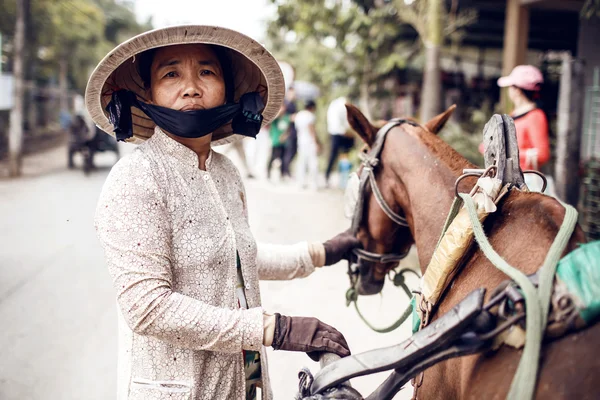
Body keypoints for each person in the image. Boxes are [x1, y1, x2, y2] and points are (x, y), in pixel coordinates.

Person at [86, 26, 359, 400]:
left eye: (207, 72)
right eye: (171, 74)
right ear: (147, 94)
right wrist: (273, 329)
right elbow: (147, 307)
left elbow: (233, 259)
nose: (191, 87)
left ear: (228, 92)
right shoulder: (136, 178)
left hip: (243, 387)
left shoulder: (226, 173)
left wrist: (320, 252)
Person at [496, 65, 551, 192]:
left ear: (517, 90)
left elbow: (542, 154)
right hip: (508, 179)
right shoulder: (514, 114)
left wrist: (506, 153)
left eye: (511, 86)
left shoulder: (535, 116)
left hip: (525, 182)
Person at [325, 96, 354, 186]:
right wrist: (347, 132)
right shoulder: (342, 106)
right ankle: (341, 177)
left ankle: (335, 176)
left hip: (334, 133)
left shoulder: (334, 104)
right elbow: (341, 123)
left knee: (336, 156)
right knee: (341, 155)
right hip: (339, 133)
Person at [295, 100, 320, 190]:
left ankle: (301, 182)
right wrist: (316, 142)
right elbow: (311, 130)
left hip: (301, 141)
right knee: (313, 162)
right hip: (309, 142)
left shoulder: (299, 115)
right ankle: (313, 183)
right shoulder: (310, 116)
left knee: (302, 162)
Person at [267, 104, 290, 180]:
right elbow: (270, 122)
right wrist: (278, 114)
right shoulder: (275, 119)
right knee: (273, 157)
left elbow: (288, 128)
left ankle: (281, 174)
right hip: (275, 141)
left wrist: (285, 136)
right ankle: (268, 173)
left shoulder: (286, 118)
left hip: (283, 142)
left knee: (283, 158)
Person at [282, 86, 298, 179]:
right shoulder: (286, 104)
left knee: (293, 151)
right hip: (287, 131)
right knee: (288, 152)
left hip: (293, 130)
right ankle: (285, 171)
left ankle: (286, 170)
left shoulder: (294, 104)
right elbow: (282, 116)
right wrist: (289, 118)